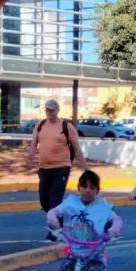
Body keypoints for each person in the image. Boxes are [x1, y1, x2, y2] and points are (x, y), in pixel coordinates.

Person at [46, 170, 123, 271]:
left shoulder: (103, 207)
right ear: (78, 188)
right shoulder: (70, 203)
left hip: (94, 252)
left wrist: (113, 230)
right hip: (74, 250)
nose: (88, 190)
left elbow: (116, 219)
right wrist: (53, 219)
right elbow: (55, 212)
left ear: (97, 191)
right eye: (84, 186)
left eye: (92, 187)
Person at [28, 100, 88, 236]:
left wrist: (85, 169)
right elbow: (33, 143)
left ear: (58, 110)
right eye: (47, 110)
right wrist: (30, 157)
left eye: (52, 110)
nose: (49, 112)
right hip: (44, 168)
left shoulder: (67, 126)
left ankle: (54, 232)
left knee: (54, 202)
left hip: (61, 168)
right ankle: (60, 223)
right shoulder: (40, 125)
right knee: (44, 201)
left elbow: (77, 148)